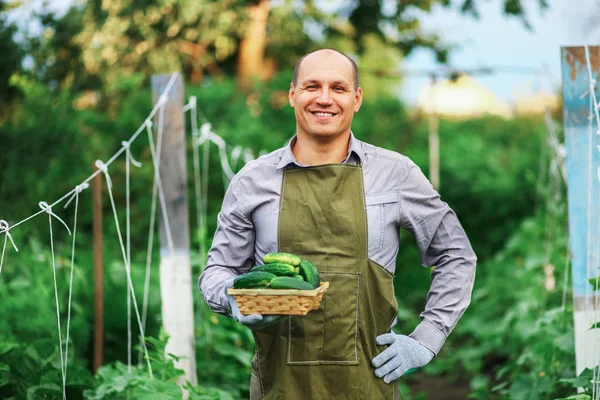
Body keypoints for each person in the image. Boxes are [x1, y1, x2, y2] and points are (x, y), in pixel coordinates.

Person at [198, 48, 477, 399]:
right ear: (292, 95)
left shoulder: (395, 173)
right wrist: (232, 297)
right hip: (279, 387)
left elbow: (455, 255)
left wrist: (427, 338)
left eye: (339, 88)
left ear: (356, 98)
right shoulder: (252, 180)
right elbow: (218, 269)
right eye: (312, 86)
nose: (324, 99)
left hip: (368, 384)